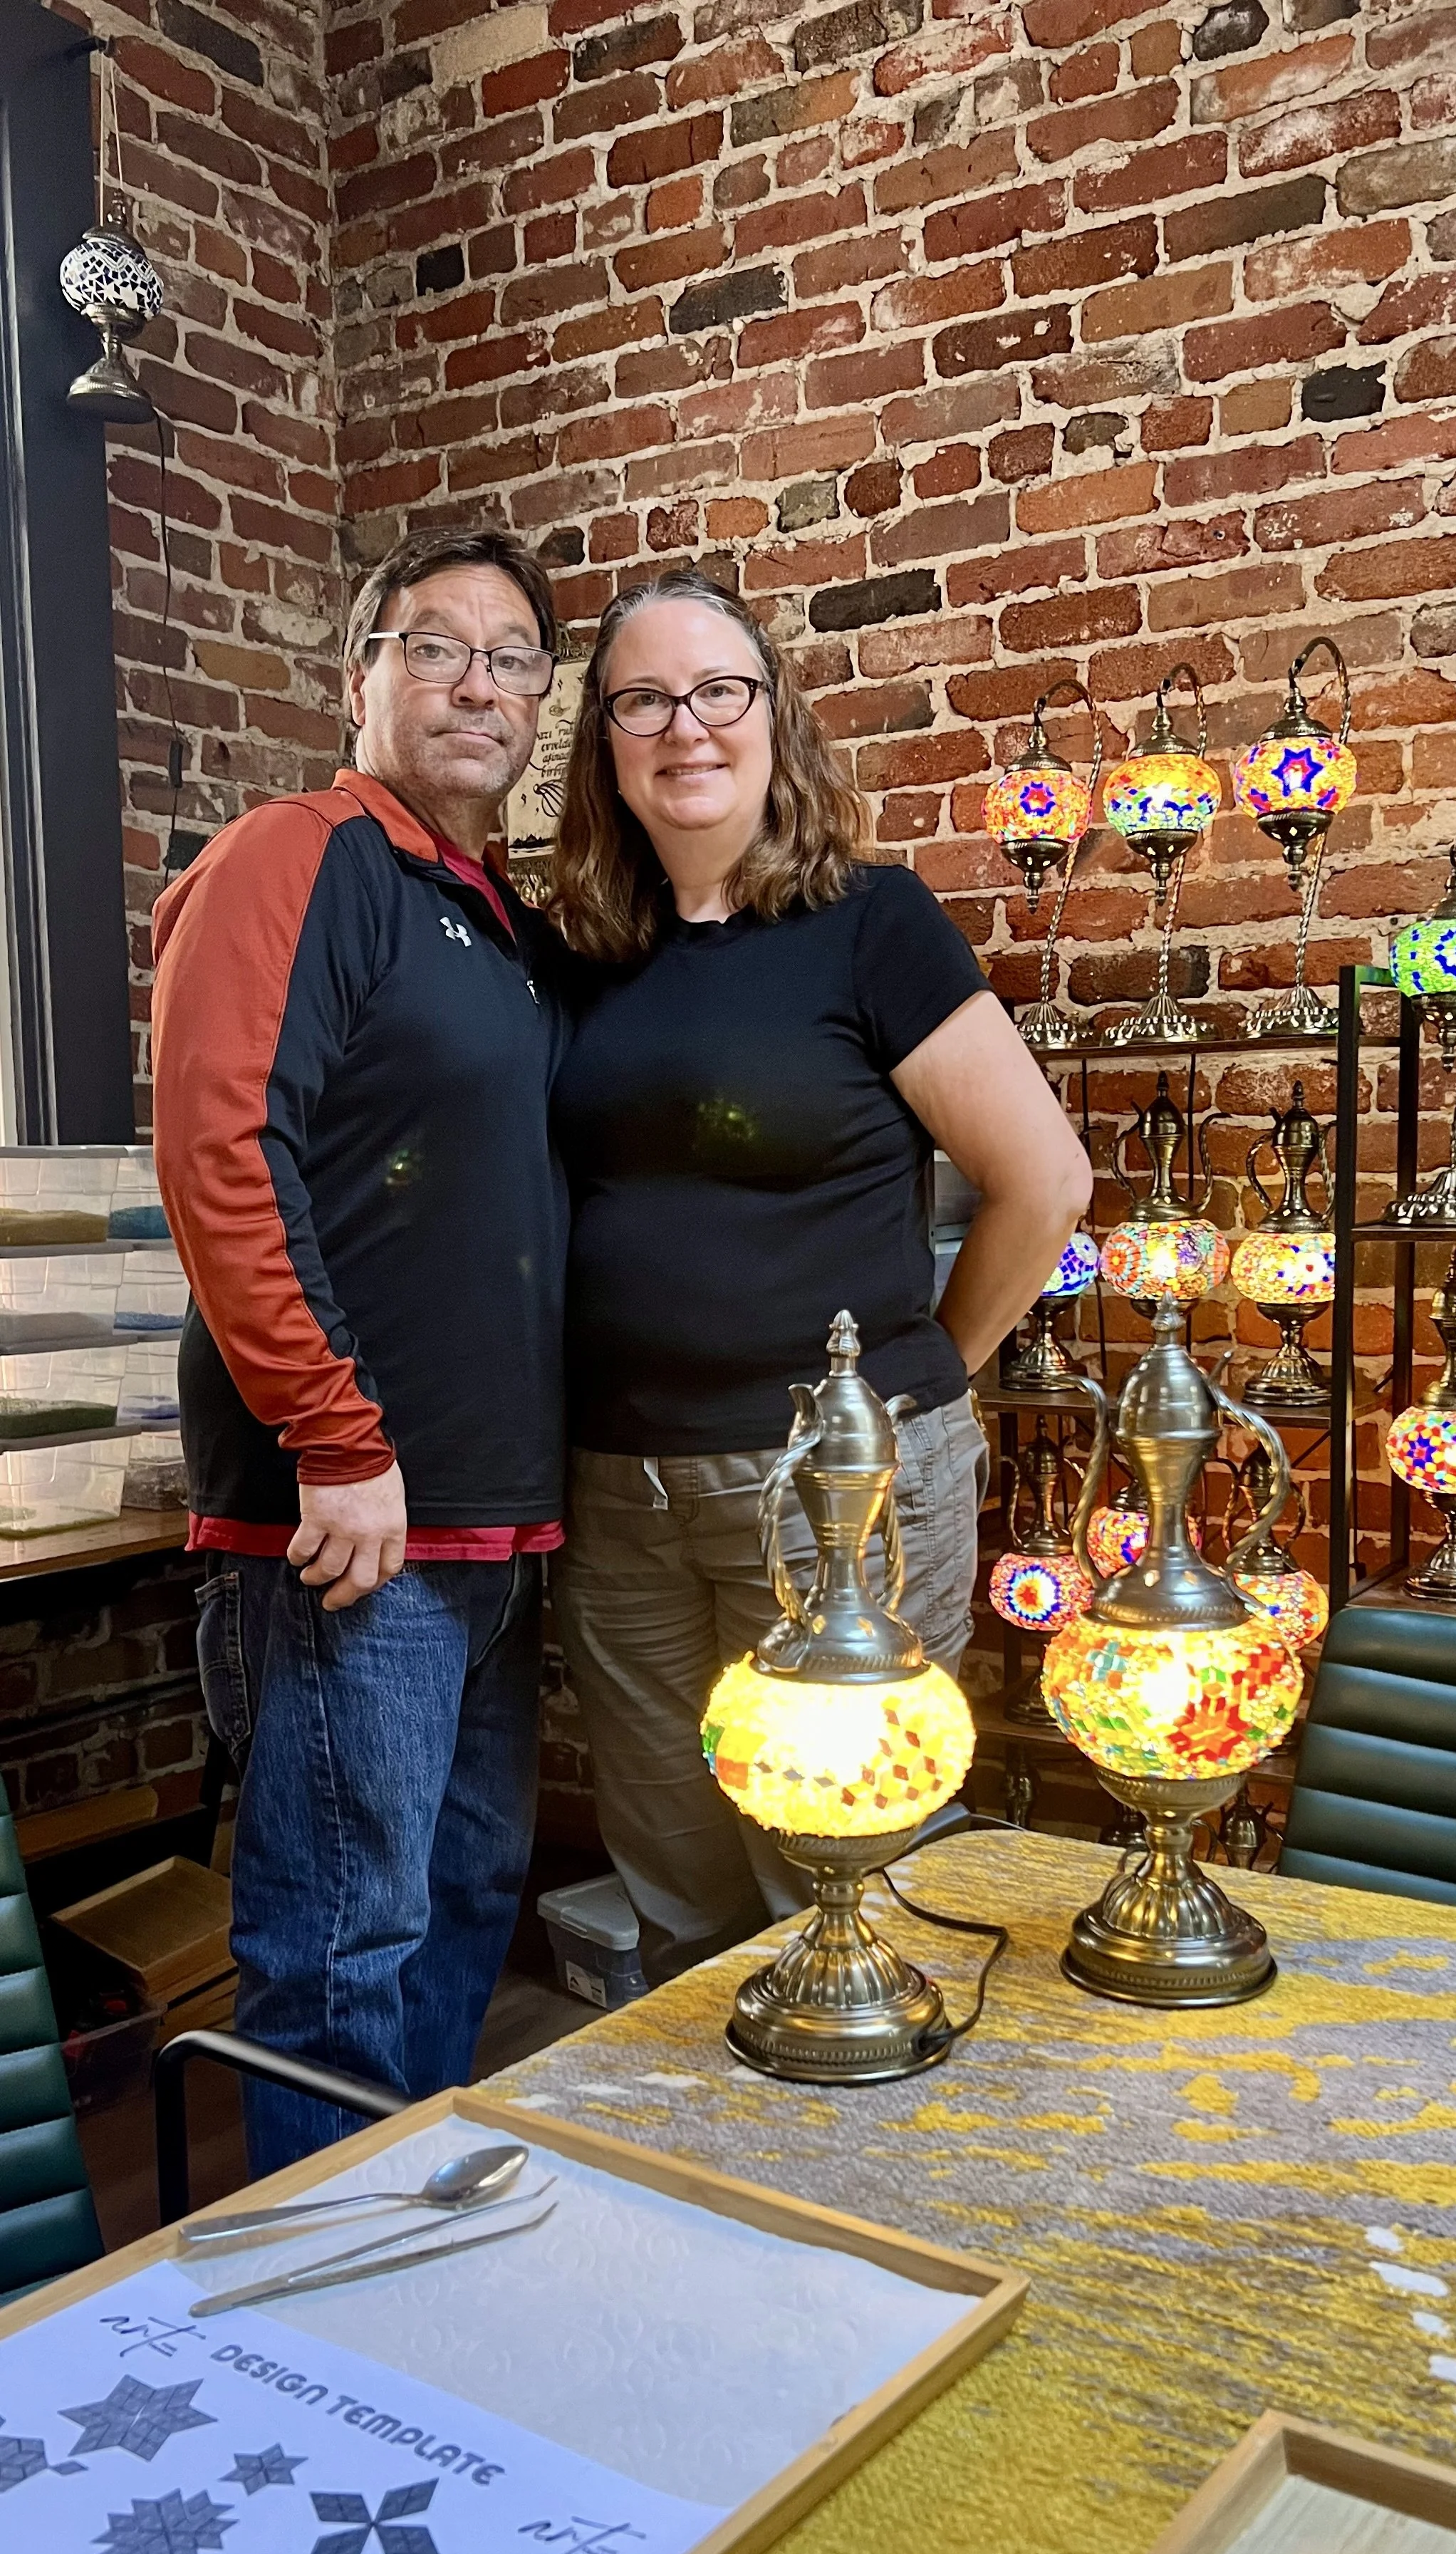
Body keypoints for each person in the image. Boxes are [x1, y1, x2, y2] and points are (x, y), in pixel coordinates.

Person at [546, 564, 1092, 1981]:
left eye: (717, 690)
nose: (686, 726)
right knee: (676, 1879)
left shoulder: (870, 922)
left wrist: (923, 1382)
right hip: (620, 1495)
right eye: (643, 701)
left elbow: (1045, 1183)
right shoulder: (582, 952)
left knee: (846, 1880)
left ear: (774, 713)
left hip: (834, 1492)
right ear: (606, 743)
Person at [152, 523, 571, 2175]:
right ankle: (318, 2279)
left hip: (490, 1530)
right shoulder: (296, 854)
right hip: (348, 1525)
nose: (479, 682)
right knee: (341, 1949)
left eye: (513, 658)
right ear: (362, 680)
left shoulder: (491, 917)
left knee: (462, 1899)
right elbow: (222, 1151)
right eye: (437, 646)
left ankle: (407, 2235)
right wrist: (336, 1436)